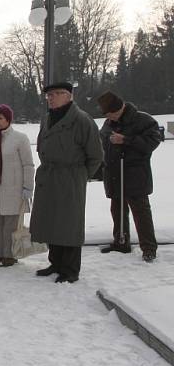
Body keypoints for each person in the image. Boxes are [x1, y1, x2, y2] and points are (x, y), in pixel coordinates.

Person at [30, 82, 103, 284]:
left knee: (69, 224)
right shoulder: (47, 118)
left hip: (71, 177)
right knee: (52, 220)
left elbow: (96, 155)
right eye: (49, 95)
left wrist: (79, 176)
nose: (51, 98)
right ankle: (56, 262)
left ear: (69, 96)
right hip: (50, 176)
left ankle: (70, 269)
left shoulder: (81, 120)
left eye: (56, 94)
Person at [96, 91, 161, 262]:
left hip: (135, 175)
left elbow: (151, 143)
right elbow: (103, 144)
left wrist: (126, 140)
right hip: (114, 174)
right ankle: (120, 242)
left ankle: (148, 248)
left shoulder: (144, 120)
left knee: (141, 211)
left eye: (111, 114)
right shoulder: (109, 122)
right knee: (117, 209)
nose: (109, 118)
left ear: (120, 108)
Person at [0, 105, 35, 267]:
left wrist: (27, 187)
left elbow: (28, 165)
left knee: (11, 225)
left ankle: (10, 255)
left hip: (14, 190)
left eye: (0, 118)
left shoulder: (20, 138)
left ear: (8, 120)